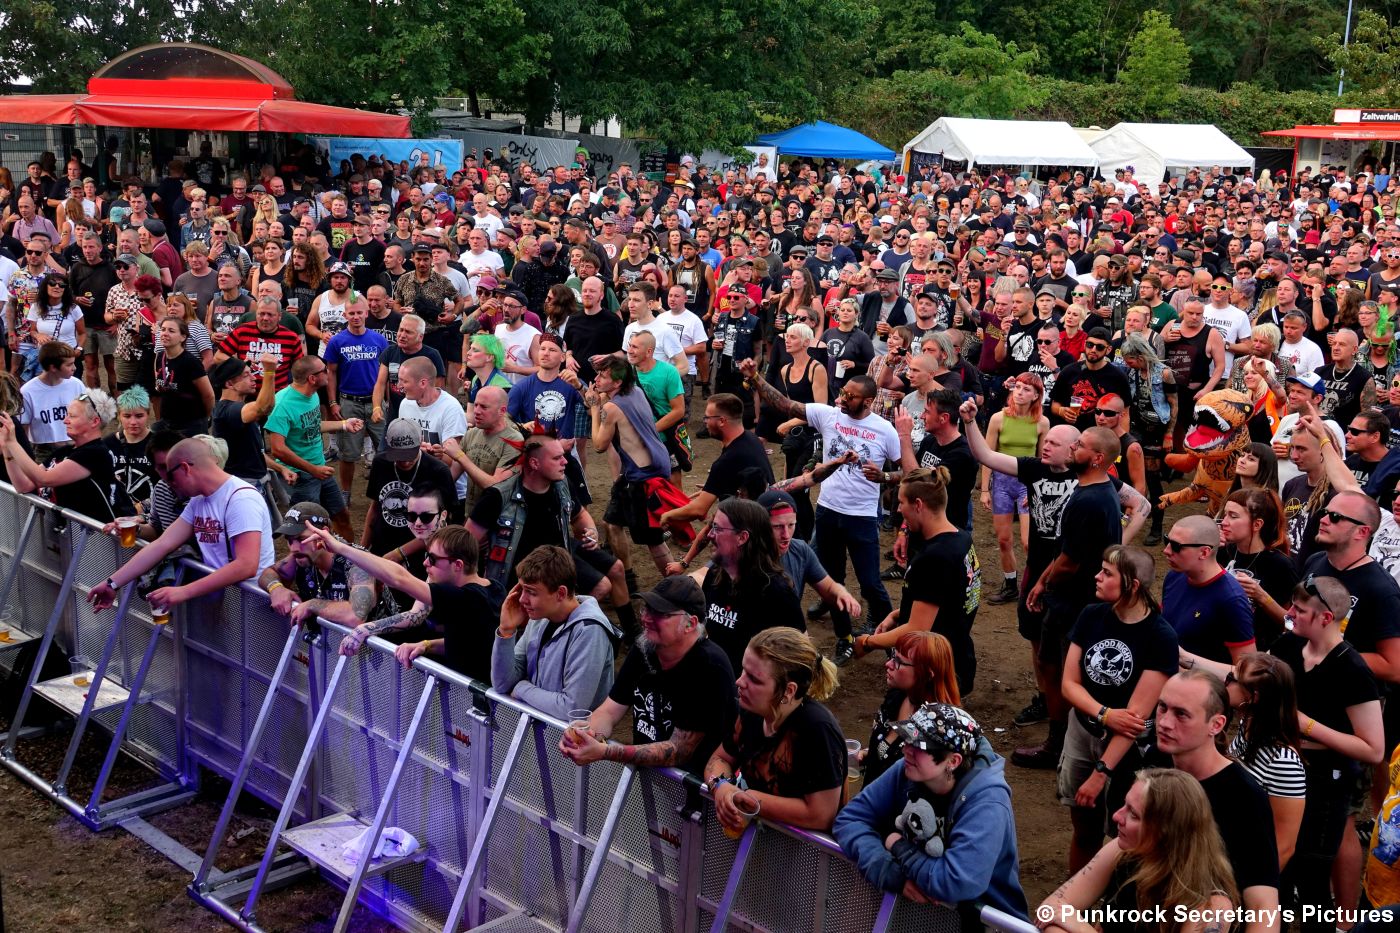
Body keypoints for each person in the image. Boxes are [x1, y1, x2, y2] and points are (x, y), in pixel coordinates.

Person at [746, 362, 902, 665]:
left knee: (871, 583)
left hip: (862, 517)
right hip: (829, 511)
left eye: (851, 396)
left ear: (868, 401)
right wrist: (755, 378)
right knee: (833, 580)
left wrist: (885, 477)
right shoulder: (829, 415)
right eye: (842, 392)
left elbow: (907, 472)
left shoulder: (885, 430)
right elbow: (785, 404)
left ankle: (892, 643)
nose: (842, 399)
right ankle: (845, 638)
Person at [834, 703, 1028, 923]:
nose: (906, 749)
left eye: (920, 746)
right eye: (908, 739)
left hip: (983, 923)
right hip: (920, 918)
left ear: (953, 761)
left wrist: (897, 846)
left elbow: (954, 883)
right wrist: (888, 870)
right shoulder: (907, 769)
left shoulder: (988, 803)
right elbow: (849, 819)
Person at [1059, 545, 1177, 872]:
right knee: (1083, 828)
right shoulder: (1091, 615)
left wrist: (1101, 773)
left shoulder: (1160, 636)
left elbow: (1134, 720)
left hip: (1128, 751)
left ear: (1132, 585)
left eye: (1107, 573)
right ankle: (1075, 894)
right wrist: (1105, 714)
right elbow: (1068, 684)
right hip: (1082, 731)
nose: (1097, 577)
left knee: (1126, 836)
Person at [1018, 427, 1126, 769]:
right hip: (1080, 600)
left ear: (1096, 458)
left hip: (1074, 603)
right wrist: (1044, 580)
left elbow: (1069, 562)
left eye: (1080, 445)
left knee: (1058, 671)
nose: (1072, 448)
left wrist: (1042, 585)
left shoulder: (1089, 500)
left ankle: (1059, 746)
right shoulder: (1096, 490)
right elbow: (1067, 551)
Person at [559, 575, 738, 773]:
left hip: (694, 784)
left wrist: (606, 751)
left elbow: (679, 750)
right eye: (647, 609)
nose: (645, 618)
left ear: (690, 624)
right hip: (651, 776)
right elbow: (610, 711)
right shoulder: (644, 647)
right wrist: (587, 734)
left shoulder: (709, 667)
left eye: (660, 613)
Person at [86, 437, 275, 617]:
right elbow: (162, 544)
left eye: (171, 477)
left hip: (250, 606)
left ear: (185, 468)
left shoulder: (241, 499)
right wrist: (111, 583)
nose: (170, 485)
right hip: (222, 601)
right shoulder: (198, 501)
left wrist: (183, 591)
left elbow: (246, 565)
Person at [1154, 670, 1281, 933]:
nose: (1164, 722)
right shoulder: (1152, 766)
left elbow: (1263, 904)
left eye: (1181, 714)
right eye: (1162, 707)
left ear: (1216, 724)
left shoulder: (1242, 796)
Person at [1036, 769, 1238, 933]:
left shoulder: (1213, 908)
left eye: (1133, 814)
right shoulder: (1123, 850)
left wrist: (1080, 927)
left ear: (1165, 832)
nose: (1117, 816)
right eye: (1124, 805)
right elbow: (1049, 910)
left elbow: (1061, 916)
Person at [704, 626, 845, 832]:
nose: (739, 682)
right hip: (755, 837)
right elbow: (720, 758)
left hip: (801, 848)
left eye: (754, 679)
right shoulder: (751, 710)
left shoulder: (817, 730)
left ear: (788, 691)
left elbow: (821, 815)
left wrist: (752, 799)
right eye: (743, 670)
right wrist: (721, 786)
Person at [325, 520, 504, 683]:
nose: (425, 563)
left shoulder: (467, 598)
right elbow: (468, 644)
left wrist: (340, 548)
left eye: (433, 559)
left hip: (474, 702)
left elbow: (399, 578)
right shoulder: (494, 588)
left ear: (458, 565)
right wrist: (427, 645)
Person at [854, 467, 980, 693]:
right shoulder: (961, 539)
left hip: (930, 671)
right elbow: (946, 601)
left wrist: (867, 643)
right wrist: (897, 615)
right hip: (957, 656)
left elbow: (917, 629)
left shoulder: (935, 558)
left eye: (902, 502)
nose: (898, 509)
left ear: (919, 505)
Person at [490, 544, 621, 720]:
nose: (522, 599)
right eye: (522, 589)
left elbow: (572, 708)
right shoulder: (540, 618)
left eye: (531, 592)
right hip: (541, 730)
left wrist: (522, 689)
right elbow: (502, 684)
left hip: (571, 736)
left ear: (560, 593)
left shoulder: (590, 631)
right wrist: (506, 632)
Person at [692, 498, 805, 673]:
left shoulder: (776, 594)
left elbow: (801, 656)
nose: (710, 535)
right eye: (712, 527)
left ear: (742, 537)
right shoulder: (715, 576)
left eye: (718, 528)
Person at [0, 388, 132, 524]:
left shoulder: (96, 453)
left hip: (91, 535)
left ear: (94, 421)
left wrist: (13, 442)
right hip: (64, 534)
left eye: (72, 416)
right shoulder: (64, 451)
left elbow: (43, 479)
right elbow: (23, 486)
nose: (65, 420)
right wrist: (6, 447)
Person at [265, 356, 361, 540]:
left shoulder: (312, 394)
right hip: (300, 477)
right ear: (312, 378)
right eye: (324, 370)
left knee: (342, 516)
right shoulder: (282, 405)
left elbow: (313, 425)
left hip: (320, 469)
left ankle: (348, 555)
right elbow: (277, 449)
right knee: (308, 531)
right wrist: (312, 469)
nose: (328, 372)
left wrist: (344, 424)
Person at [259, 502, 384, 631]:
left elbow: (356, 616)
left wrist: (312, 604)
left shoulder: (357, 562)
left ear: (323, 534)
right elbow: (269, 573)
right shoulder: (301, 555)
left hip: (376, 641)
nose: (294, 548)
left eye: (301, 539)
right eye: (289, 540)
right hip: (328, 640)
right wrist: (276, 588)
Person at [859, 630, 961, 786]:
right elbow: (888, 748)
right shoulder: (897, 696)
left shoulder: (938, 730)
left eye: (898, 661)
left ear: (927, 675)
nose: (888, 664)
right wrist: (870, 754)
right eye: (892, 656)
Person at [980, 373, 1047, 605]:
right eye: (1017, 387)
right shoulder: (998, 418)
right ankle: (1010, 586)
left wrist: (1038, 491)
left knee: (1029, 542)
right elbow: (987, 455)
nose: (1020, 392)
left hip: (1027, 484)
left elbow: (1043, 460)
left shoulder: (1042, 422)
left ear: (1036, 395)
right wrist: (985, 490)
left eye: (1027, 389)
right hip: (1002, 483)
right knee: (1004, 540)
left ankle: (1036, 585)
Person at [1166, 514, 1257, 665]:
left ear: (1204, 552)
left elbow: (1246, 670)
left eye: (1176, 546)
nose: (1166, 550)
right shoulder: (1174, 576)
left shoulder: (1232, 600)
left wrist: (1186, 660)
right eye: (1167, 540)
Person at [1217, 488, 1298, 650]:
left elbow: (1291, 624)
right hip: (1218, 642)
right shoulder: (1223, 551)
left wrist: (1261, 596)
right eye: (1225, 514)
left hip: (1256, 651)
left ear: (1257, 524)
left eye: (1233, 516)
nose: (1224, 522)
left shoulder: (1279, 565)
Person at [325, 296, 390, 492]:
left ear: (366, 313)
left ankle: (386, 491)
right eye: (351, 313)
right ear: (345, 315)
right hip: (349, 402)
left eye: (359, 312)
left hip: (375, 403)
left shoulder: (379, 340)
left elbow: (385, 374)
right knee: (348, 455)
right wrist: (333, 402)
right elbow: (331, 372)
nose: (356, 317)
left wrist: (387, 401)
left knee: (386, 451)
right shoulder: (337, 341)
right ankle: (345, 493)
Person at [208, 353, 280, 491]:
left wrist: (281, 469)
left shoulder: (239, 408)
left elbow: (255, 452)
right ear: (229, 384)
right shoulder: (228, 411)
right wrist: (269, 372)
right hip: (244, 486)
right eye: (246, 375)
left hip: (254, 481)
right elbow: (263, 408)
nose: (254, 378)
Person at [18, 340, 84, 464]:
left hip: (75, 446)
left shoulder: (77, 384)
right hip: (43, 451)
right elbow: (23, 429)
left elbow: (86, 416)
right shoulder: (27, 392)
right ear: (53, 367)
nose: (74, 368)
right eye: (69, 365)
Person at [152, 316, 213, 436]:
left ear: (183, 337)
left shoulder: (190, 362)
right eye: (163, 329)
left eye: (171, 331)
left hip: (190, 424)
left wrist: (203, 419)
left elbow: (209, 395)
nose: (165, 333)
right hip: (168, 422)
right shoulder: (160, 357)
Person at [104, 386, 157, 508]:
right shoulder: (108, 444)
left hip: (150, 513)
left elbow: (169, 487)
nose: (133, 422)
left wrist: (143, 507)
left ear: (148, 414)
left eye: (139, 416)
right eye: (127, 416)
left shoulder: (158, 445)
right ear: (119, 416)